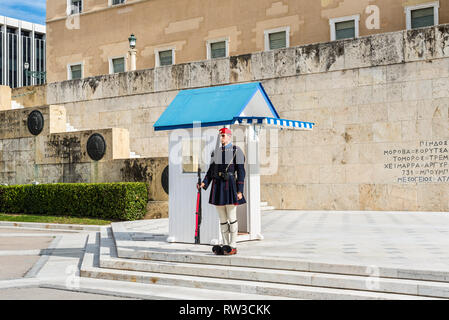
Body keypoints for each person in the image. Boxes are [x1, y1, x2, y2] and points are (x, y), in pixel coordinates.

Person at [197, 127, 246, 255]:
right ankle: (225, 244)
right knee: (222, 218)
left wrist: (240, 190)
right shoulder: (216, 152)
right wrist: (204, 183)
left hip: (230, 186)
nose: (222, 138)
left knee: (231, 217)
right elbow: (211, 171)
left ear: (229, 136)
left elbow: (241, 172)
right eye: (220, 135)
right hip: (218, 186)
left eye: (224, 135)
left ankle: (233, 245)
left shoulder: (237, 151)